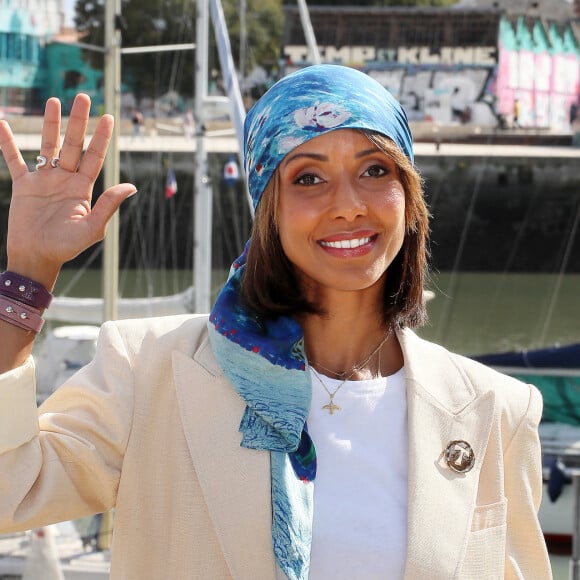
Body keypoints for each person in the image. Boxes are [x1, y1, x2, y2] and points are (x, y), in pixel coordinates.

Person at [0, 65, 552, 579]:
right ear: (269, 208)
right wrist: (28, 273)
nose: (349, 204)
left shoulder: (495, 410)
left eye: (374, 169)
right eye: (309, 178)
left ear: (408, 199)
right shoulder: (151, 369)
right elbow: (10, 490)